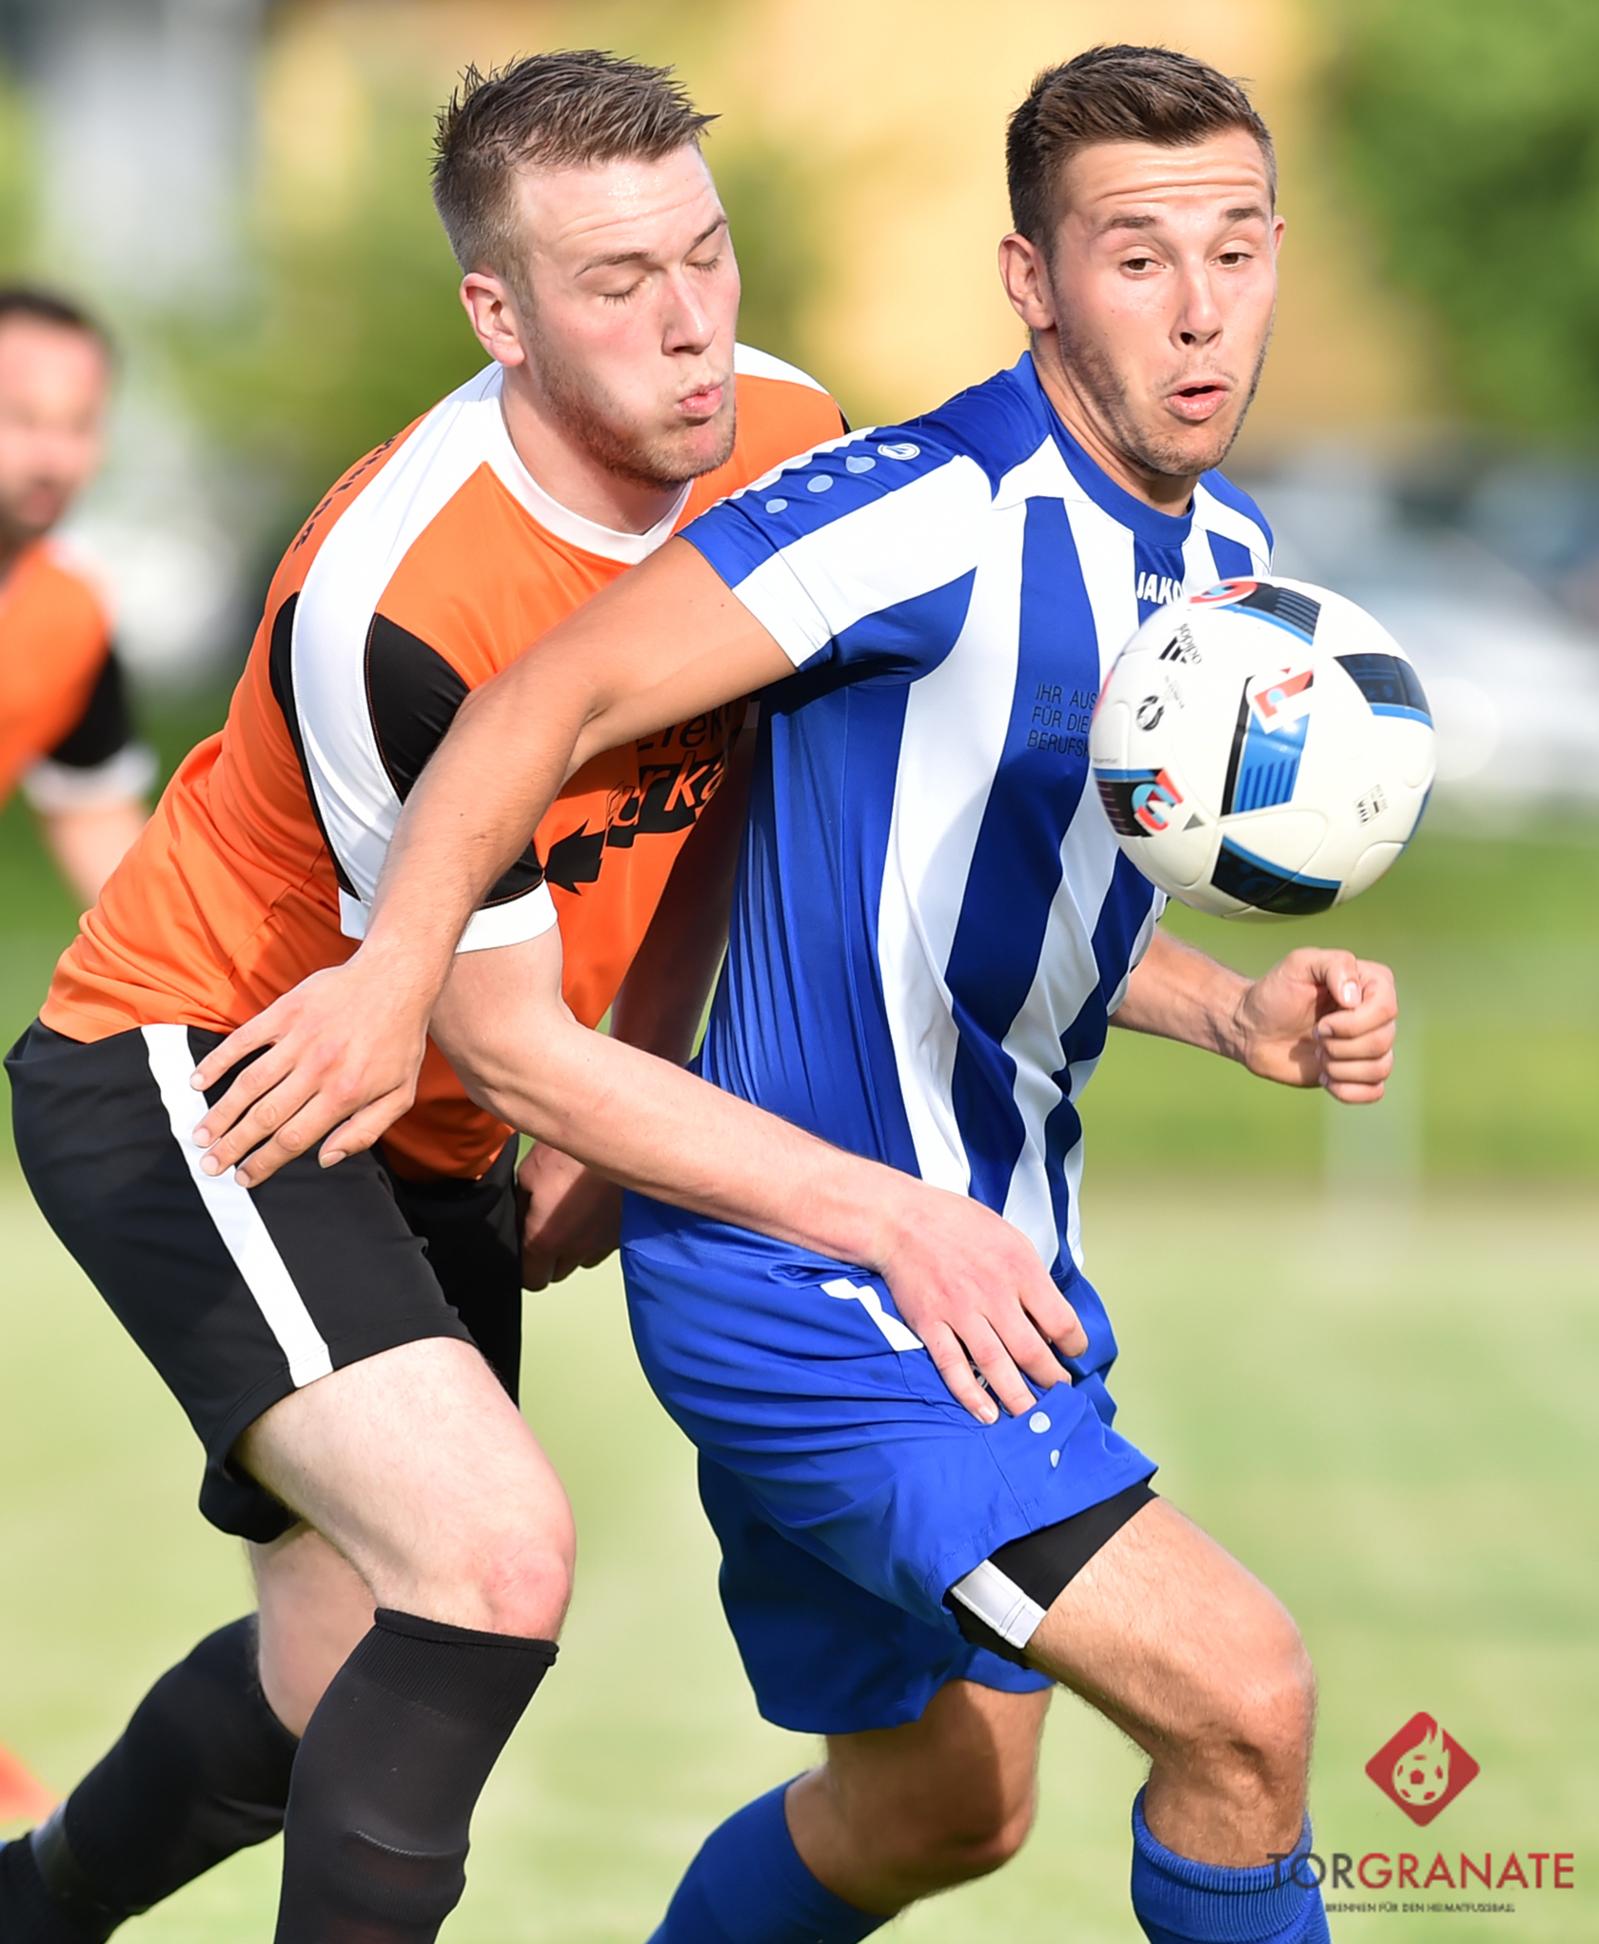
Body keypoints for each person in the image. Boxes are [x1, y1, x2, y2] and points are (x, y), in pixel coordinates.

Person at [186, 44, 1408, 1943]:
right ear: (1029, 281)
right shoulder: (921, 504)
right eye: (1135, 256)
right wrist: (395, 980)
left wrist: (1233, 1012)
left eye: (1234, 250)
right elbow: (542, 697)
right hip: (817, 1282)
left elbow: (996, 905)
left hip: (989, 1268)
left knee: (937, 1808)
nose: (1197, 309)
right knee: (1241, 1697)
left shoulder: (1223, 568)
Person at [1, 51, 1082, 1944]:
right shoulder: (397, 597)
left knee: (332, 1682)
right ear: (497, 315)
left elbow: (739, 786)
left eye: (705, 255)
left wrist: (625, 1075)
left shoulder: (787, 434)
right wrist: (885, 1215)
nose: (690, 324)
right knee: (491, 1560)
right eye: (615, 282)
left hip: (433, 1110)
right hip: (216, 1059)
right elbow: (494, 1030)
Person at [0, 288, 149, 905]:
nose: (54, 459)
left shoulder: (67, 615)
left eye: (79, 425)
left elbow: (94, 816)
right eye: (22, 419)